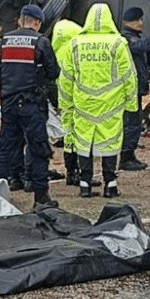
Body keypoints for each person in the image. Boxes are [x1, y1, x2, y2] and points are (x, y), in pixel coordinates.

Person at [64, 3, 138, 198]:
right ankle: (110, 185)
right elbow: (128, 75)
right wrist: (131, 104)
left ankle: (85, 184)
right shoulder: (118, 43)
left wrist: (66, 105)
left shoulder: (75, 44)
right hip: (111, 104)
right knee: (110, 143)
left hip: (83, 103)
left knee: (84, 143)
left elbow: (66, 78)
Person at [0, 4, 61, 209]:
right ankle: (41, 197)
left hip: (9, 103)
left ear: (21, 20)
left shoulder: (4, 40)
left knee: (5, 149)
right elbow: (53, 73)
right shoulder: (40, 41)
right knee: (38, 149)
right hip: (32, 104)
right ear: (37, 23)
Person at [119, 7, 150, 171]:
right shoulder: (126, 38)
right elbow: (142, 47)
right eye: (137, 20)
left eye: (140, 19)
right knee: (131, 123)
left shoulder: (133, 37)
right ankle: (126, 157)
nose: (141, 23)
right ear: (127, 22)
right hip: (130, 89)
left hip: (135, 87)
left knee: (134, 122)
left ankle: (129, 154)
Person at [51, 19, 84, 186]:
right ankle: (79, 174)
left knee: (68, 137)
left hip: (63, 100)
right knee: (80, 137)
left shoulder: (56, 50)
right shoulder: (74, 49)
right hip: (77, 99)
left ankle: (70, 172)